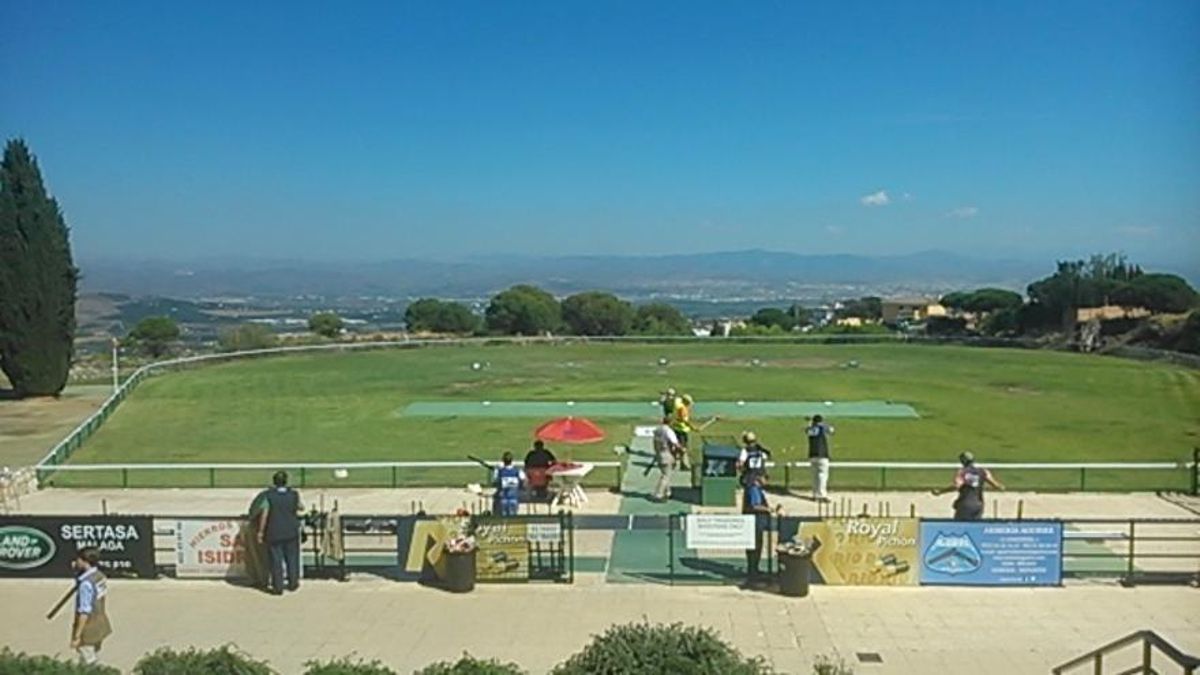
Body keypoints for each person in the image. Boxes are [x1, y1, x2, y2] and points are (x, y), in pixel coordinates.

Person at [257, 470, 305, 595]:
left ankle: (278, 587)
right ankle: (293, 583)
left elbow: (264, 514)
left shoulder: (269, 495)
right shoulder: (294, 494)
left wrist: (261, 531)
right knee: (292, 558)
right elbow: (301, 507)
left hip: (274, 532)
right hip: (291, 531)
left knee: (276, 560)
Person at [932, 451, 1005, 520]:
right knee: (974, 527)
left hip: (965, 504)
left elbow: (956, 486)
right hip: (978, 504)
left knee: (959, 526)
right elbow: (996, 485)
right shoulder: (983, 471)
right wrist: (1001, 487)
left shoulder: (962, 472)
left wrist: (941, 491)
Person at [70, 547, 112, 666]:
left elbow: (84, 611)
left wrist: (77, 636)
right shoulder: (100, 576)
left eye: (78, 559)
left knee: (89, 661)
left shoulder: (86, 584)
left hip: (89, 626)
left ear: (84, 561)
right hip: (100, 621)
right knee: (93, 655)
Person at [741, 473, 776, 586]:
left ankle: (754, 570)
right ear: (759, 478)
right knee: (755, 548)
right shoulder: (754, 489)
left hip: (753, 523)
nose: (767, 481)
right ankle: (753, 572)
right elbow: (755, 506)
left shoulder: (753, 488)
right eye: (765, 478)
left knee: (755, 548)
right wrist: (768, 509)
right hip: (754, 523)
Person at [651, 416, 681, 501]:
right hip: (666, 454)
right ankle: (658, 494)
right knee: (666, 475)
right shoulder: (669, 431)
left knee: (666, 473)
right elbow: (675, 443)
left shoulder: (657, 430)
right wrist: (682, 449)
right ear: (670, 423)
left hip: (658, 454)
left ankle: (668, 492)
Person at [806, 415, 835, 502]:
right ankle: (822, 495)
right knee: (822, 475)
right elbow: (832, 430)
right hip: (822, 455)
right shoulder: (822, 428)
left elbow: (808, 431)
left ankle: (815, 494)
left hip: (812, 454)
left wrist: (811, 424)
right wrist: (823, 424)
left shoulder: (810, 429)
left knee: (815, 476)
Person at [492, 451, 526, 516]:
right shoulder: (518, 471)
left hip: (502, 500)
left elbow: (495, 482)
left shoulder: (499, 471)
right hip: (514, 499)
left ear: (503, 460)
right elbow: (524, 480)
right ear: (511, 460)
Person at [670, 393, 695, 469]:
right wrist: (693, 427)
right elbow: (684, 421)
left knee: (677, 447)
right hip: (682, 430)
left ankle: (674, 462)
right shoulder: (682, 409)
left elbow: (677, 398)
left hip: (676, 428)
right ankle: (682, 464)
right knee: (682, 448)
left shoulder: (678, 404)